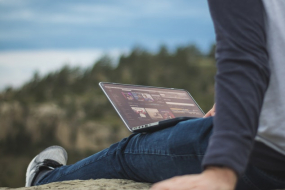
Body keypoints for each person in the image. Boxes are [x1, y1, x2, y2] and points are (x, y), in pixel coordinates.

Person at [25, 0, 285, 189]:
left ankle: (44, 180)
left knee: (129, 150)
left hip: (264, 156)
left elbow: (243, 58)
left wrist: (221, 171)